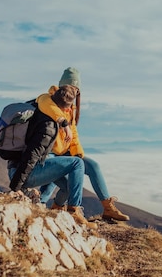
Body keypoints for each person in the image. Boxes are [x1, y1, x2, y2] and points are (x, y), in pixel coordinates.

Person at [37, 67, 130, 222]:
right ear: (61, 86)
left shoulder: (71, 107)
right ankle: (44, 205)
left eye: (76, 89)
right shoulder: (47, 98)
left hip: (65, 151)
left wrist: (78, 154)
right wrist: (63, 122)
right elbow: (50, 108)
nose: (72, 92)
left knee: (93, 166)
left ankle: (108, 207)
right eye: (70, 87)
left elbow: (73, 135)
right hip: (49, 152)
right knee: (57, 179)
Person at [7, 85, 97, 230]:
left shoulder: (42, 107)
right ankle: (74, 210)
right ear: (64, 108)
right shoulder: (48, 126)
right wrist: (16, 187)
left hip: (20, 168)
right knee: (77, 164)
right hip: (23, 172)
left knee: (67, 188)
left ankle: (51, 208)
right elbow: (32, 155)